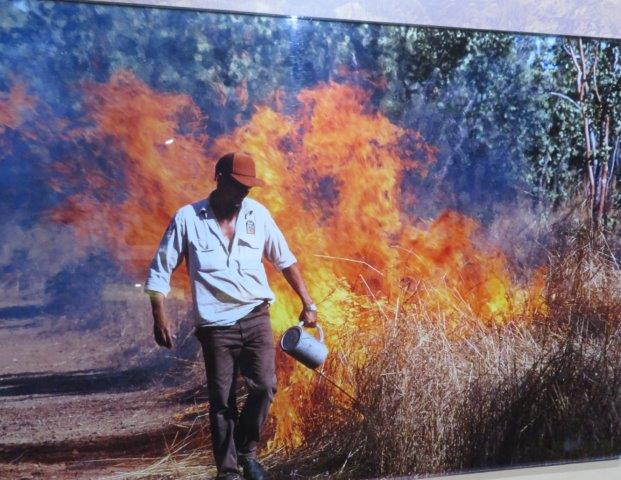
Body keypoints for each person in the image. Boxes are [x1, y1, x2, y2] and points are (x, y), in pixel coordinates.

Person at [144, 152, 317, 480]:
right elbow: (161, 268)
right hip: (215, 327)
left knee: (265, 386)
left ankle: (247, 453)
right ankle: (228, 471)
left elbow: (285, 260)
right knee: (222, 401)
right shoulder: (188, 219)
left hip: (255, 317)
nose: (244, 192)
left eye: (248, 187)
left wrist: (308, 302)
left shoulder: (257, 215)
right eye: (238, 185)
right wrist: (158, 316)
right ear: (220, 178)